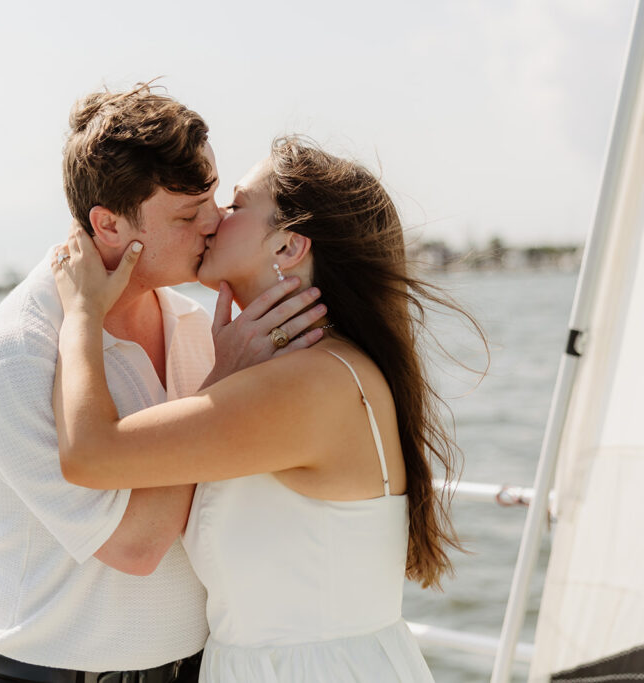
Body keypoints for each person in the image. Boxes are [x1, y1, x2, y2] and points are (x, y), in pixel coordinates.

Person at [51, 137, 479, 681]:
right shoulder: (308, 371)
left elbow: (90, 453)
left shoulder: (309, 385)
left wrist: (82, 311)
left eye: (233, 206)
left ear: (286, 248)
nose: (211, 218)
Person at [0, 86, 325, 683]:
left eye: (211, 198)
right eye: (186, 215)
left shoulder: (194, 322)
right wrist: (223, 383)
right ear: (107, 224)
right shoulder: (17, 354)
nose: (214, 222)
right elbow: (135, 546)